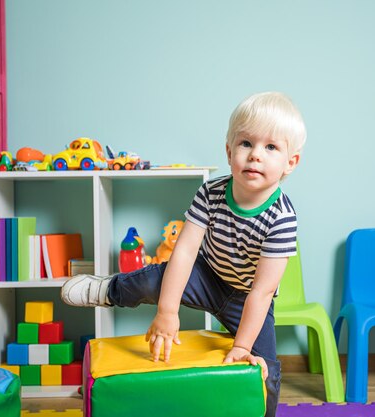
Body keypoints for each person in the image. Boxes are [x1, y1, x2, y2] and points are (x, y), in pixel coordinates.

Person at [61, 91, 306, 417]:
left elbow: (262, 292)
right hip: (205, 274)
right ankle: (108, 289)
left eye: (271, 147)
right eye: (246, 143)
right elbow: (185, 251)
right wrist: (167, 311)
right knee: (154, 278)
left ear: (291, 163)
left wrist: (243, 347)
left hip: (246, 298)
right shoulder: (211, 192)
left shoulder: (282, 217)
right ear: (229, 150)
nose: (255, 155)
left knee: (266, 368)